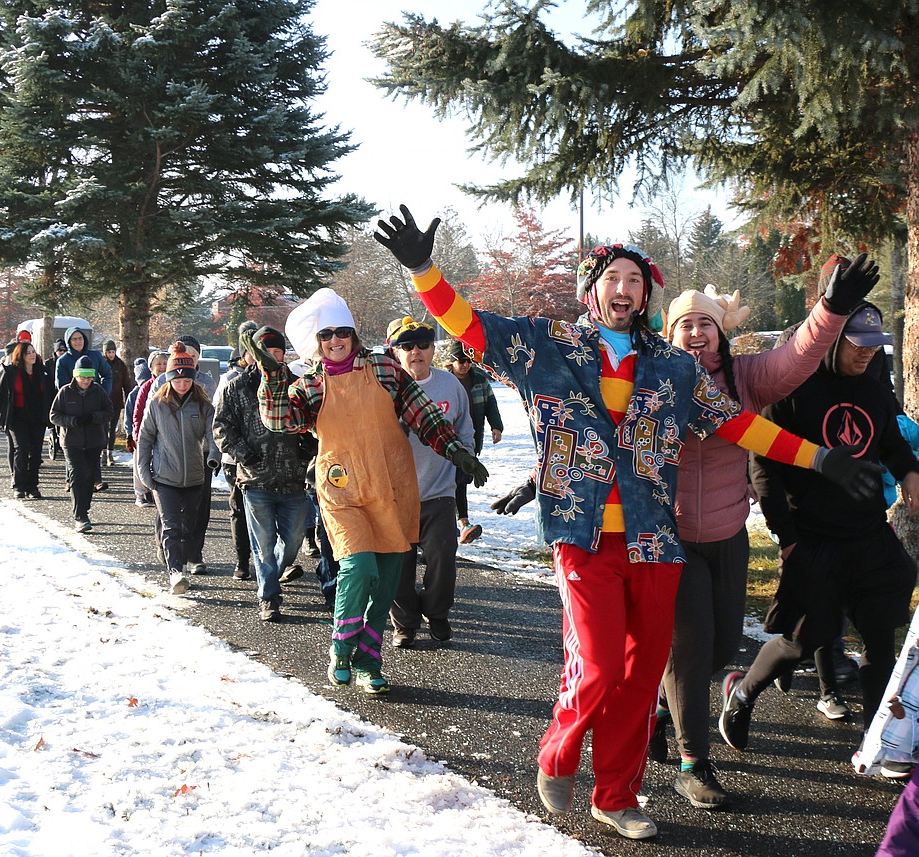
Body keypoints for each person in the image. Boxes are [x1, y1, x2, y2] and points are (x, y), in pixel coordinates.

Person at [373, 204, 883, 840]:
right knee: (598, 667)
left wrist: (820, 458)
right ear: (593, 289)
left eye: (636, 280)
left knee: (642, 677)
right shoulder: (546, 346)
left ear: (647, 295)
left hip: (653, 538)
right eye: (613, 277)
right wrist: (424, 270)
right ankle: (558, 751)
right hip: (582, 536)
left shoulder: (674, 366)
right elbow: (470, 326)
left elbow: (736, 423)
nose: (625, 288)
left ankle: (617, 795)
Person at [652, 268, 870, 810]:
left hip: (728, 535)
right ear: (670, 335)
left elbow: (796, 354)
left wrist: (831, 307)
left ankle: (660, 706)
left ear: (722, 335)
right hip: (670, 536)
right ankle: (693, 763)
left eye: (707, 324)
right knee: (692, 645)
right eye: (685, 325)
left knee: (722, 648)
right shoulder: (653, 379)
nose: (697, 333)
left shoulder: (747, 379)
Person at [249, 288, 486, 697]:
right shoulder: (310, 384)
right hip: (341, 488)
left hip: (392, 485)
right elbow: (279, 421)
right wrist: (272, 376)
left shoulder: (384, 368)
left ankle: (369, 659)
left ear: (353, 334)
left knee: (388, 580)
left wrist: (456, 451)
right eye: (326, 335)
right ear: (317, 343)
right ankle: (342, 645)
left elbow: (422, 413)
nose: (336, 340)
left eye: (342, 331)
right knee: (359, 568)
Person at [719, 301, 919, 754]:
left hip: (868, 532)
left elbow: (889, 440)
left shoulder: (873, 385)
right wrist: (787, 540)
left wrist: (909, 471)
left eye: (874, 346)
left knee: (879, 636)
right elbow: (764, 469)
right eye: (857, 345)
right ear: (830, 340)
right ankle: (743, 691)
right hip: (813, 536)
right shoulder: (792, 388)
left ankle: (879, 741)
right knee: (805, 641)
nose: (867, 354)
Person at [215, 326, 315, 620]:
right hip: (255, 480)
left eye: (278, 352)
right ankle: (268, 598)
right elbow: (222, 428)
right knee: (263, 545)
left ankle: (275, 576)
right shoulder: (236, 388)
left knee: (293, 541)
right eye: (267, 352)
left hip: (293, 479)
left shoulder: (296, 386)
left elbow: (313, 423)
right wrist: (246, 456)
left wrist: (305, 450)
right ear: (254, 355)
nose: (273, 357)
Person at [385, 317, 474, 647]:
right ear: (396, 353)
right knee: (398, 566)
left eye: (423, 345)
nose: (416, 353)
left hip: (439, 491)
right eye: (407, 347)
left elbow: (465, 427)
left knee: (442, 558)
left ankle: (437, 613)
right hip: (396, 495)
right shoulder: (385, 388)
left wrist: (466, 457)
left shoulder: (450, 384)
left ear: (433, 349)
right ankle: (404, 623)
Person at [137, 342, 221, 592]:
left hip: (195, 477)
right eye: (177, 380)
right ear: (169, 379)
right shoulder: (157, 405)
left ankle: (180, 561)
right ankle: (175, 573)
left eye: (186, 381)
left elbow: (213, 435)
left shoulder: (203, 405)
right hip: (164, 477)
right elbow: (145, 440)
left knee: (187, 527)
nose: (182, 385)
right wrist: (145, 474)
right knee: (171, 526)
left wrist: (213, 457)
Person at [443, 338, 503, 544]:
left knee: (462, 480)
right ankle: (457, 524)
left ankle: (459, 525)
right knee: (449, 482)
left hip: (470, 440)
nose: (466, 364)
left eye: (468, 360)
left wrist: (496, 426)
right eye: (461, 360)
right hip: (444, 441)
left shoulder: (479, 379)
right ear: (451, 361)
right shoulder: (442, 380)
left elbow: (490, 404)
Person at [214, 322, 258, 582]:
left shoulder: (276, 377)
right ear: (243, 354)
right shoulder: (230, 381)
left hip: (269, 458)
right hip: (236, 459)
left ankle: (273, 561)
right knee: (240, 509)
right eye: (253, 351)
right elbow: (219, 422)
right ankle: (242, 561)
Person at [50, 355, 113, 533]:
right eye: (82, 377)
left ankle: (84, 507)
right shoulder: (65, 392)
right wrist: (72, 421)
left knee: (90, 477)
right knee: (77, 475)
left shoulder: (98, 391)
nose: (86, 381)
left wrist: (94, 417)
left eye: (89, 377)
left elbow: (109, 412)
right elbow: (54, 415)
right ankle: (80, 516)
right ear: (75, 376)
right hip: (72, 441)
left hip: (94, 440)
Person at [0, 341, 53, 499]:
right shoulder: (10, 372)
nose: (32, 355)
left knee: (36, 453)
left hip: (37, 418)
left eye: (33, 352)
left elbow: (49, 394)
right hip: (17, 417)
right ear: (20, 355)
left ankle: (33, 486)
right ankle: (19, 485)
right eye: (28, 353)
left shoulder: (42, 372)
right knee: (22, 449)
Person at [130, 350, 168, 507]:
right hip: (146, 430)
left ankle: (156, 492)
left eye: (165, 364)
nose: (162, 367)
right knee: (141, 461)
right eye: (158, 364)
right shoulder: (146, 387)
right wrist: (137, 433)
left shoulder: (173, 384)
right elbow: (138, 412)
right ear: (151, 368)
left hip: (164, 432)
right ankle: (140, 493)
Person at [102, 340, 135, 467]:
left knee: (112, 428)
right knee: (103, 428)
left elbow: (126, 384)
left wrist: (128, 400)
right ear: (105, 353)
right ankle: (103, 453)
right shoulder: (102, 364)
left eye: (113, 352)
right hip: (103, 402)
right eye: (109, 352)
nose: (111, 354)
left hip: (116, 402)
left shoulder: (120, 365)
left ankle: (110, 453)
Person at [44, 341, 68, 460]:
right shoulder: (49, 364)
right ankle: (55, 437)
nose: (62, 353)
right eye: (60, 351)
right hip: (52, 395)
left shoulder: (68, 362)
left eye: (64, 350)